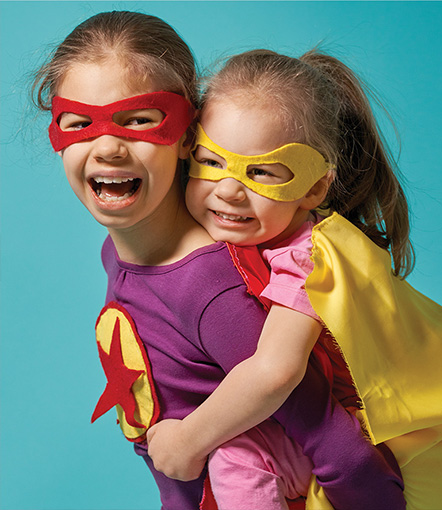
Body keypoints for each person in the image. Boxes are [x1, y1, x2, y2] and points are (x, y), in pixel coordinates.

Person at [32, 12, 406, 510]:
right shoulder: (122, 254)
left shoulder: (208, 288)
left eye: (140, 119)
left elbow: (328, 437)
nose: (107, 147)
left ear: (188, 135)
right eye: (79, 123)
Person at [147, 49, 442, 509]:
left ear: (314, 188)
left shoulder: (312, 256)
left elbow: (276, 370)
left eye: (261, 173)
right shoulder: (221, 242)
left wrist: (188, 441)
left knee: (235, 455)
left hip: (372, 436)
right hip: (312, 432)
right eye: (211, 161)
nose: (229, 190)